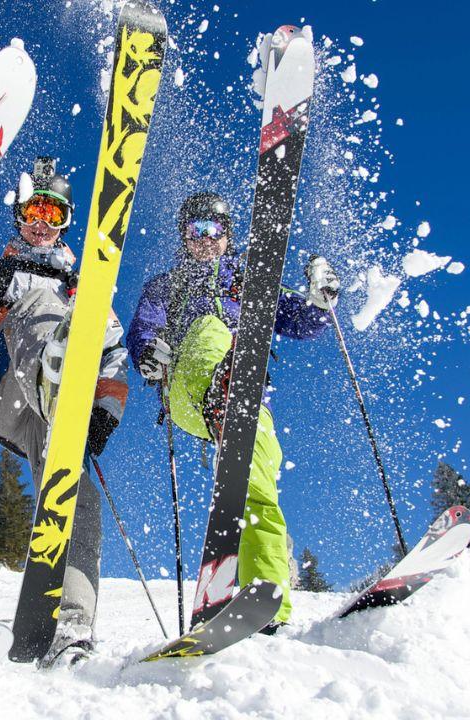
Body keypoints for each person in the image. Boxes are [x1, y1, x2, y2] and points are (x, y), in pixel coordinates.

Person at [0, 157, 128, 666]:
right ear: (18, 213)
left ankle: (73, 629)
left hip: (50, 421)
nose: (42, 222)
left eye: (54, 213)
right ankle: (54, 377)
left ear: (64, 221)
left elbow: (115, 352)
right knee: (39, 301)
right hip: (2, 390)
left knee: (77, 497)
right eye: (34, 209)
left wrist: (104, 410)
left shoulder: (85, 284)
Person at [126, 191, 340, 631]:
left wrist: (321, 302)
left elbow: (299, 323)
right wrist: (150, 356)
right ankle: (229, 379)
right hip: (188, 388)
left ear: (228, 234)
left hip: (249, 399)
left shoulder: (248, 279)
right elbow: (143, 332)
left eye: (214, 230)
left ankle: (266, 602)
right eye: (195, 231)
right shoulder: (167, 286)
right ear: (183, 238)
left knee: (260, 484)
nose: (205, 239)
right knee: (210, 329)